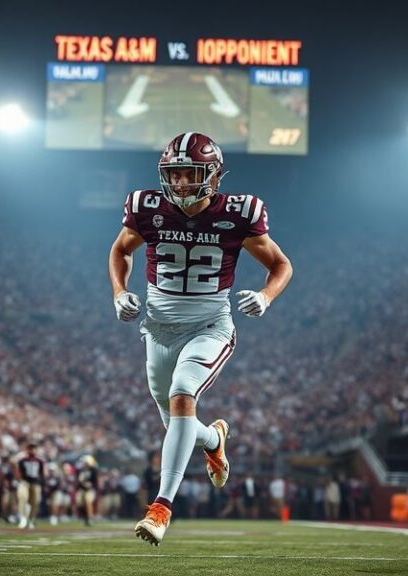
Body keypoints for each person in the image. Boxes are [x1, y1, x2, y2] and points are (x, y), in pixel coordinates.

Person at [109, 132, 292, 546]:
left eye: (190, 174)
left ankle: (160, 509)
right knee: (179, 422)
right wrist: (119, 292)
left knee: (182, 394)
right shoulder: (147, 207)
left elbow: (281, 264)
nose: (181, 184)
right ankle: (215, 439)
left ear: (212, 175)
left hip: (209, 327)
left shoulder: (241, 213)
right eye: (173, 175)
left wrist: (266, 296)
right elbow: (120, 250)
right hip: (156, 329)